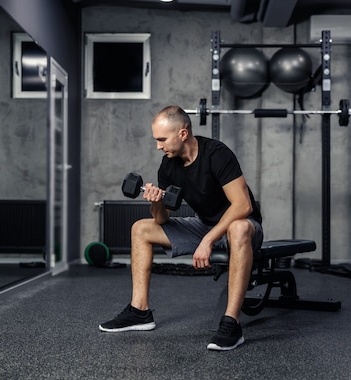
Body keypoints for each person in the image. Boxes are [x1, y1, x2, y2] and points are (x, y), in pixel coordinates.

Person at [99, 105, 263, 351]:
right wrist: (156, 201)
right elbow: (162, 219)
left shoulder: (216, 154)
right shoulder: (168, 166)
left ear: (183, 134)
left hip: (242, 228)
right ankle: (139, 311)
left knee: (238, 227)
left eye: (162, 139)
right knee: (141, 228)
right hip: (205, 225)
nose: (158, 146)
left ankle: (231, 323)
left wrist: (207, 240)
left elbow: (242, 205)